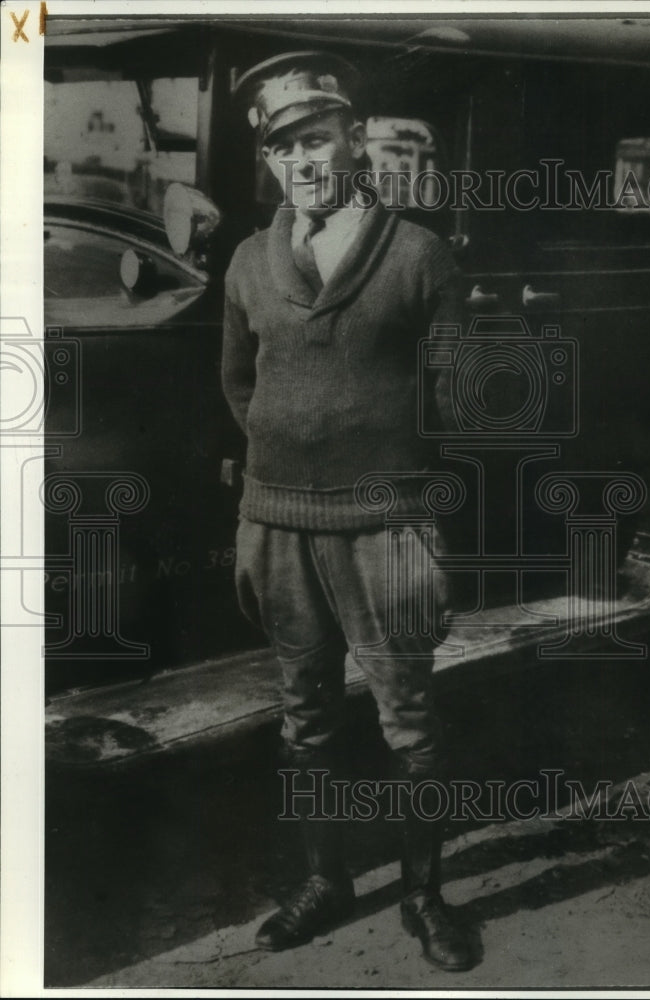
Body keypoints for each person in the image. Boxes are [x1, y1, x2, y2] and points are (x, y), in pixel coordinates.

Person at [222, 51, 473, 972]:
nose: (303, 163)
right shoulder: (251, 261)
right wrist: (291, 459)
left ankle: (423, 896)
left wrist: (377, 473)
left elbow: (450, 401)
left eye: (316, 139)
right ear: (272, 161)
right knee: (305, 718)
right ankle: (326, 882)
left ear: (352, 139)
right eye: (284, 149)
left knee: (409, 720)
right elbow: (239, 386)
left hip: (387, 526)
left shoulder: (418, 254)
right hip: (278, 524)